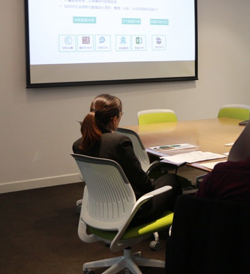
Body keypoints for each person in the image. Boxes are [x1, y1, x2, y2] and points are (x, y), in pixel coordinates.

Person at [73, 94, 182, 224]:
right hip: (133, 212)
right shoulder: (119, 142)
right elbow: (143, 183)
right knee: (171, 179)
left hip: (101, 209)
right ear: (114, 119)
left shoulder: (78, 144)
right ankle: (178, 228)